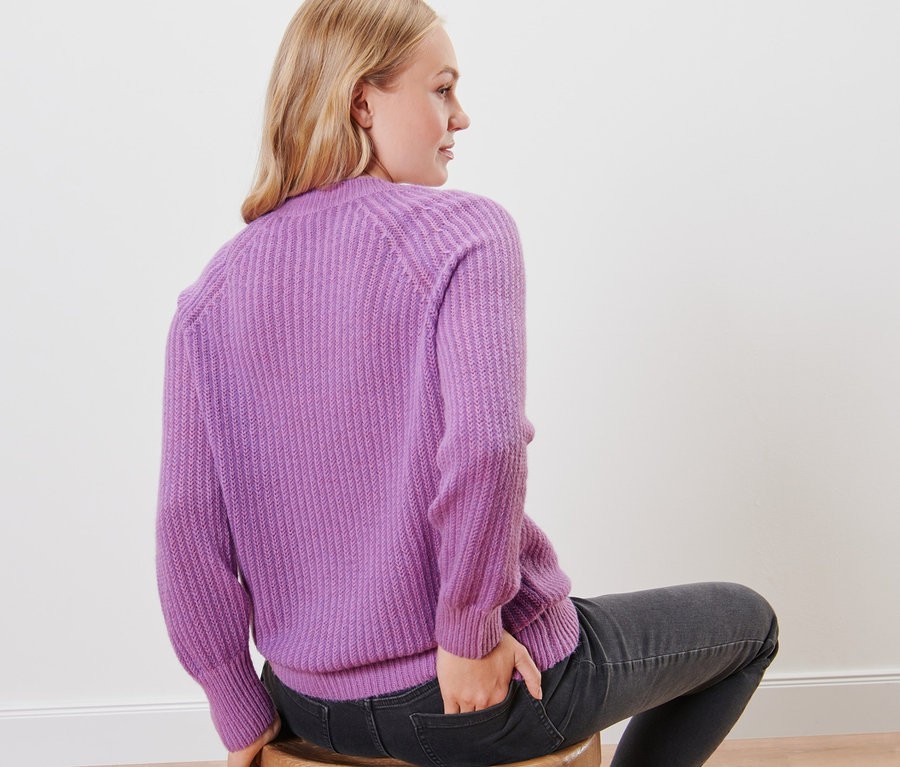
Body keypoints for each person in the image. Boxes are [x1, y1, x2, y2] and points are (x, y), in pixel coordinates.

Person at [155, 1, 779, 766]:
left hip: (304, 703)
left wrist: (237, 705)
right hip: (469, 690)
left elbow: (188, 523)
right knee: (749, 622)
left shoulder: (209, 298)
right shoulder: (465, 233)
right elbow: (484, 445)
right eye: (441, 89)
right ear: (361, 101)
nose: (462, 116)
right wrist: (468, 633)